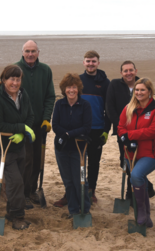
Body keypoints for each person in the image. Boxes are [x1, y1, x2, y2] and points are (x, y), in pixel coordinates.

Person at [55, 50, 111, 206]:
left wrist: (106, 130)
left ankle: (91, 191)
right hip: (78, 129)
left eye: (93, 61)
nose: (91, 64)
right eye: (88, 61)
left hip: (96, 128)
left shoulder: (105, 83)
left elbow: (109, 109)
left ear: (98, 63)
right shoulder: (78, 81)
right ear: (83, 62)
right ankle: (69, 194)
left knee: (93, 162)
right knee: (76, 162)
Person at [0, 65, 35, 230]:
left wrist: (23, 132)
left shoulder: (23, 94)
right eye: (11, 79)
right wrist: (22, 128)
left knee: (19, 179)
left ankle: (10, 213)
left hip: (19, 145)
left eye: (18, 79)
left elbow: (30, 116)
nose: (15, 83)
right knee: (15, 182)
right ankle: (17, 216)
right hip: (2, 145)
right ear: (4, 80)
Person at [118, 78, 155, 227]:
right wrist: (126, 138)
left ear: (150, 91)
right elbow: (120, 127)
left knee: (137, 176)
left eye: (142, 90)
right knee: (139, 180)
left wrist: (130, 135)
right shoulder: (128, 108)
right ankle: (147, 218)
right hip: (131, 153)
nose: (139, 92)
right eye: (137, 90)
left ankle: (141, 212)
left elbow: (153, 131)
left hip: (150, 154)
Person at [106, 61, 155, 203]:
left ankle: (135, 193)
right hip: (123, 133)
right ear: (121, 73)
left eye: (131, 70)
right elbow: (110, 107)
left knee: (138, 162)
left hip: (140, 132)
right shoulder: (114, 85)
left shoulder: (141, 85)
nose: (128, 73)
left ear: (135, 70)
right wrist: (121, 130)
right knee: (127, 162)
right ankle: (134, 192)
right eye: (125, 70)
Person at [15, 40, 55, 209]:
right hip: (22, 125)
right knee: (26, 160)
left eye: (33, 51)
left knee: (38, 159)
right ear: (22, 52)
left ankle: (32, 190)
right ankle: (22, 194)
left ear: (39, 52)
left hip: (39, 124)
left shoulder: (45, 70)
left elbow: (50, 97)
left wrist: (47, 118)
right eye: (27, 51)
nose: (30, 54)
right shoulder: (15, 69)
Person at [52, 73, 92, 218]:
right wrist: (67, 135)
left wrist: (69, 134)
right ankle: (73, 210)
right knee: (68, 181)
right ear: (64, 89)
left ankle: (85, 209)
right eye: (68, 87)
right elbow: (55, 125)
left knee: (80, 180)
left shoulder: (85, 105)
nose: (71, 90)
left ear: (78, 88)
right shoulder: (59, 104)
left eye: (74, 87)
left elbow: (87, 128)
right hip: (62, 148)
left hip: (79, 149)